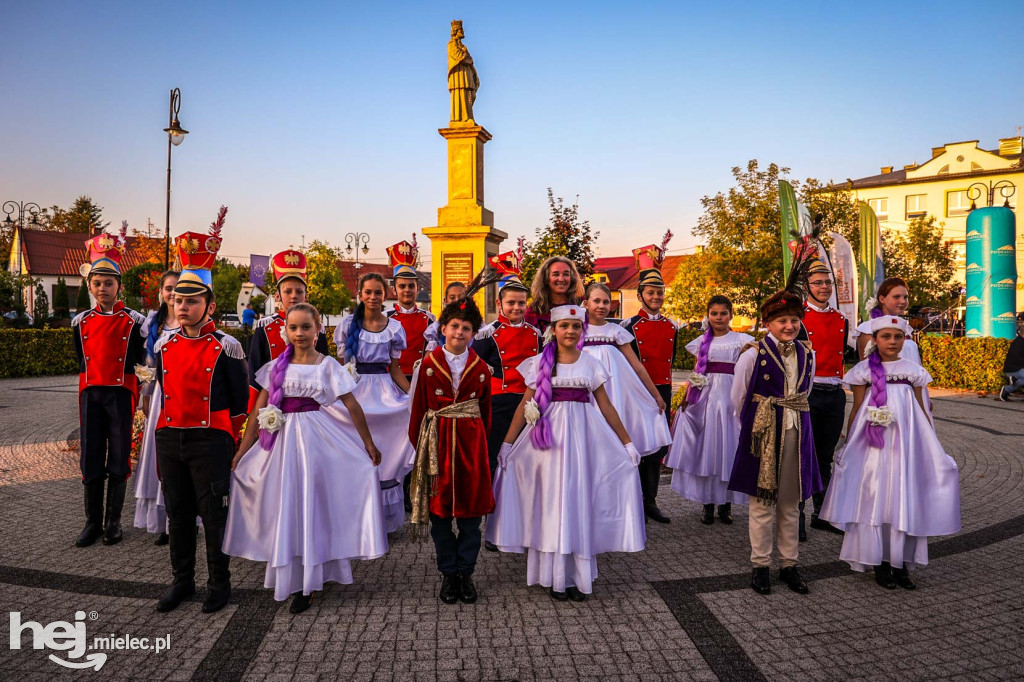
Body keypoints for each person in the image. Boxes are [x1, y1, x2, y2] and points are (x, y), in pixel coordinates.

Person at [226, 303, 388, 614]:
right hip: (282, 444)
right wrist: (242, 451)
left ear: (318, 331)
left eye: (306, 327)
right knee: (286, 502)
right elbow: (258, 412)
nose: (299, 333)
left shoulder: (328, 366)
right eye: (294, 327)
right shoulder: (275, 367)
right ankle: (291, 569)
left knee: (312, 503)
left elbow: (352, 405)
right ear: (285, 330)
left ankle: (311, 579)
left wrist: (368, 444)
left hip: (316, 442)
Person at [486, 305, 645, 601]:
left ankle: (576, 577)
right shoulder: (539, 364)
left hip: (584, 442)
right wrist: (507, 444)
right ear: (554, 330)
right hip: (546, 447)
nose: (570, 331)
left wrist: (626, 443)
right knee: (551, 503)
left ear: (582, 330)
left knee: (577, 500)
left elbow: (606, 407)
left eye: (575, 326)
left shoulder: (591, 364)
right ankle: (554, 576)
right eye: (564, 326)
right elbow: (524, 406)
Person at [153, 208, 249, 614]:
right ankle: (181, 582)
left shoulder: (227, 347)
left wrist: (235, 446)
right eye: (178, 300)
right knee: (177, 515)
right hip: (170, 437)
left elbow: (240, 405)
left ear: (209, 305)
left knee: (213, 517)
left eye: (192, 301)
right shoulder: (163, 346)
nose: (182, 307)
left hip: (211, 439)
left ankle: (219, 583)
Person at [819, 316, 960, 589]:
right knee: (877, 497)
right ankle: (880, 562)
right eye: (886, 336)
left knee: (902, 496)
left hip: (906, 445)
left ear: (904, 340)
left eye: (897, 337)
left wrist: (933, 446)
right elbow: (858, 408)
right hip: (874, 446)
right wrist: (848, 442)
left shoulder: (913, 371)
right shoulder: (862, 371)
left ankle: (902, 563)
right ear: (875, 340)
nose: (892, 342)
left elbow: (923, 410)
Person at [728, 282, 822, 596]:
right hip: (764, 433)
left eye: (794, 320)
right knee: (762, 503)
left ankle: (789, 565)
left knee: (791, 503)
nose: (789, 325)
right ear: (768, 324)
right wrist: (756, 429)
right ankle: (760, 565)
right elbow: (738, 398)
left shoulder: (808, 353)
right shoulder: (753, 354)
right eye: (782, 320)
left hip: (796, 431)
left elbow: (805, 393)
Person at [408, 277, 493, 605]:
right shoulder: (428, 365)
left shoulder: (482, 369)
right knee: (440, 517)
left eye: (467, 328)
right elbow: (417, 413)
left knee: (471, 519)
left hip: (471, 450)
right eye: (454, 326)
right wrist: (420, 452)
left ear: (474, 333)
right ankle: (448, 573)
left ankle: (466, 572)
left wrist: (482, 450)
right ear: (443, 328)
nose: (460, 333)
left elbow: (485, 415)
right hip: (437, 447)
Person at [72, 224, 148, 548]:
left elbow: (142, 363)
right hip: (91, 393)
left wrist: (147, 394)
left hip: (121, 392)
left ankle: (113, 522)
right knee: (90, 455)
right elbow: (81, 360)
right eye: (97, 283)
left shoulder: (135, 322)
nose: (103, 288)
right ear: (90, 285)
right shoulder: (81, 322)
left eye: (109, 283)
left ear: (119, 286)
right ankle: (92, 522)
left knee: (118, 455)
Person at [331, 272, 415, 533]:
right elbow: (342, 367)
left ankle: (383, 521)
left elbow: (396, 369)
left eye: (378, 292)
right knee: (355, 449)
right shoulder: (347, 325)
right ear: (360, 294)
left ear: (386, 294)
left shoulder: (393, 327)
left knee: (385, 451)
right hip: (355, 390)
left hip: (384, 391)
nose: (373, 297)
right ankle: (356, 519)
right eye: (368, 292)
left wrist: (412, 395)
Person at [666, 295, 752, 524]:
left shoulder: (741, 340)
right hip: (708, 399)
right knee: (709, 449)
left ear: (731, 315)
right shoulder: (702, 342)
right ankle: (707, 504)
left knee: (729, 449)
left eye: (723, 313)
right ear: (708, 315)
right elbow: (697, 373)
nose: (719, 318)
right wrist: (686, 398)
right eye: (714, 313)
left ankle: (725, 505)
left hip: (731, 398)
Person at [621, 236, 677, 524]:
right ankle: (632, 501)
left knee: (657, 448)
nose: (656, 297)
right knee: (635, 447)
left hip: (663, 391)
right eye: (650, 293)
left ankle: (650, 501)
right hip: (636, 394)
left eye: (660, 293)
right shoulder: (628, 327)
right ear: (640, 295)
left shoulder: (671, 326)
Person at [581, 282, 671, 458]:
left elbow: (637, 366)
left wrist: (656, 395)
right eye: (596, 301)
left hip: (615, 392)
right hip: (586, 389)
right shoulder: (578, 330)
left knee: (612, 430)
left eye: (606, 302)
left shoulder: (616, 331)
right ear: (586, 304)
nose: (601, 306)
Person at [796, 257, 850, 539]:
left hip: (834, 395)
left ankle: (822, 513)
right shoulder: (799, 318)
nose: (824, 286)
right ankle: (798, 517)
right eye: (818, 282)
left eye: (828, 282)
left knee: (824, 456)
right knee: (802, 455)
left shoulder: (841, 319)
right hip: (808, 394)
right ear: (806, 286)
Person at [246, 250, 330, 412]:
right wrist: (253, 412)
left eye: (299, 291)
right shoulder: (265, 326)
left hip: (308, 404)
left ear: (306, 296)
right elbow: (255, 373)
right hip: (271, 404)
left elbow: (323, 367)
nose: (293, 296)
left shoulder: (318, 328)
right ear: (277, 296)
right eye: (287, 291)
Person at [135, 270, 180, 545]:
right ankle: (162, 521)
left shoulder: (193, 319)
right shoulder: (155, 323)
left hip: (185, 394)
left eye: (178, 288)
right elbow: (149, 365)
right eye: (168, 289)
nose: (173, 294)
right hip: (162, 395)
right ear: (161, 292)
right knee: (159, 455)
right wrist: (146, 395)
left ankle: (182, 518)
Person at [385, 239, 435, 381]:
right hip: (390, 380)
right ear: (394, 290)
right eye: (402, 286)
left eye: (411, 286)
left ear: (417, 289)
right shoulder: (384, 318)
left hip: (419, 379)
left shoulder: (429, 319)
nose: (407, 290)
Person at [525, 256, 585, 335]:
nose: (561, 279)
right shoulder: (535, 311)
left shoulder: (580, 306)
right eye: (556, 274)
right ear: (546, 278)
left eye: (566, 274)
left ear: (572, 278)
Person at [425, 281, 467, 352]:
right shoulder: (436, 327)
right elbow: (430, 358)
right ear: (446, 300)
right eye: (452, 297)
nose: (457, 300)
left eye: (460, 297)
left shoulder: (478, 325)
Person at [998, 316, 1024, 401]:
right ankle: (1012, 378)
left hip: (1017, 369)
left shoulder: (1019, 341)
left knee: (1021, 381)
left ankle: (1006, 390)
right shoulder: (1018, 343)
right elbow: (1015, 358)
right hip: (1013, 369)